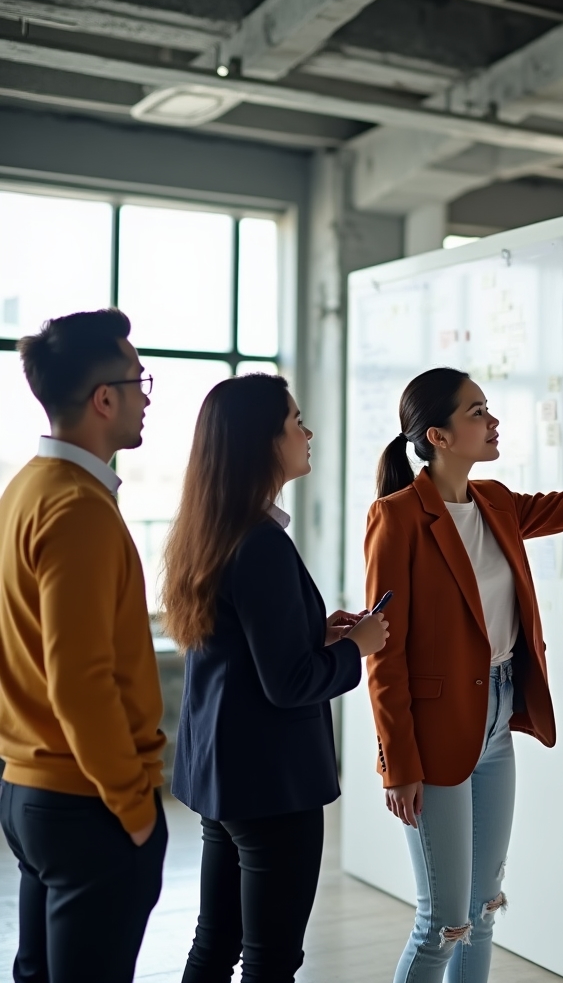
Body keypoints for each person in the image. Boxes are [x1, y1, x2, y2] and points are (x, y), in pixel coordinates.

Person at [365, 366, 563, 983]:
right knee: (441, 922)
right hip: (433, 733)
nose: (493, 421)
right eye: (477, 412)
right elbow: (385, 654)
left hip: (496, 718)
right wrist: (396, 765)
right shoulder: (397, 517)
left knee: (482, 911)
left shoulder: (496, 502)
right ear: (438, 436)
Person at [162, 374, 388, 983]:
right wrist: (359, 649)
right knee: (271, 957)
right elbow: (288, 684)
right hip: (271, 784)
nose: (308, 433)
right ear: (262, 441)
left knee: (215, 942)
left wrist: (320, 632)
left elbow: (244, 648)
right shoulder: (260, 542)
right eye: (296, 423)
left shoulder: (213, 527)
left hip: (225, 774)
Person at [0, 309, 166, 983]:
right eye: (138, 380)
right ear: (104, 398)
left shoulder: (26, 488)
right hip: (86, 800)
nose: (146, 396)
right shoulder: (77, 510)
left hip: (33, 787)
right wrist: (132, 806)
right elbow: (81, 681)